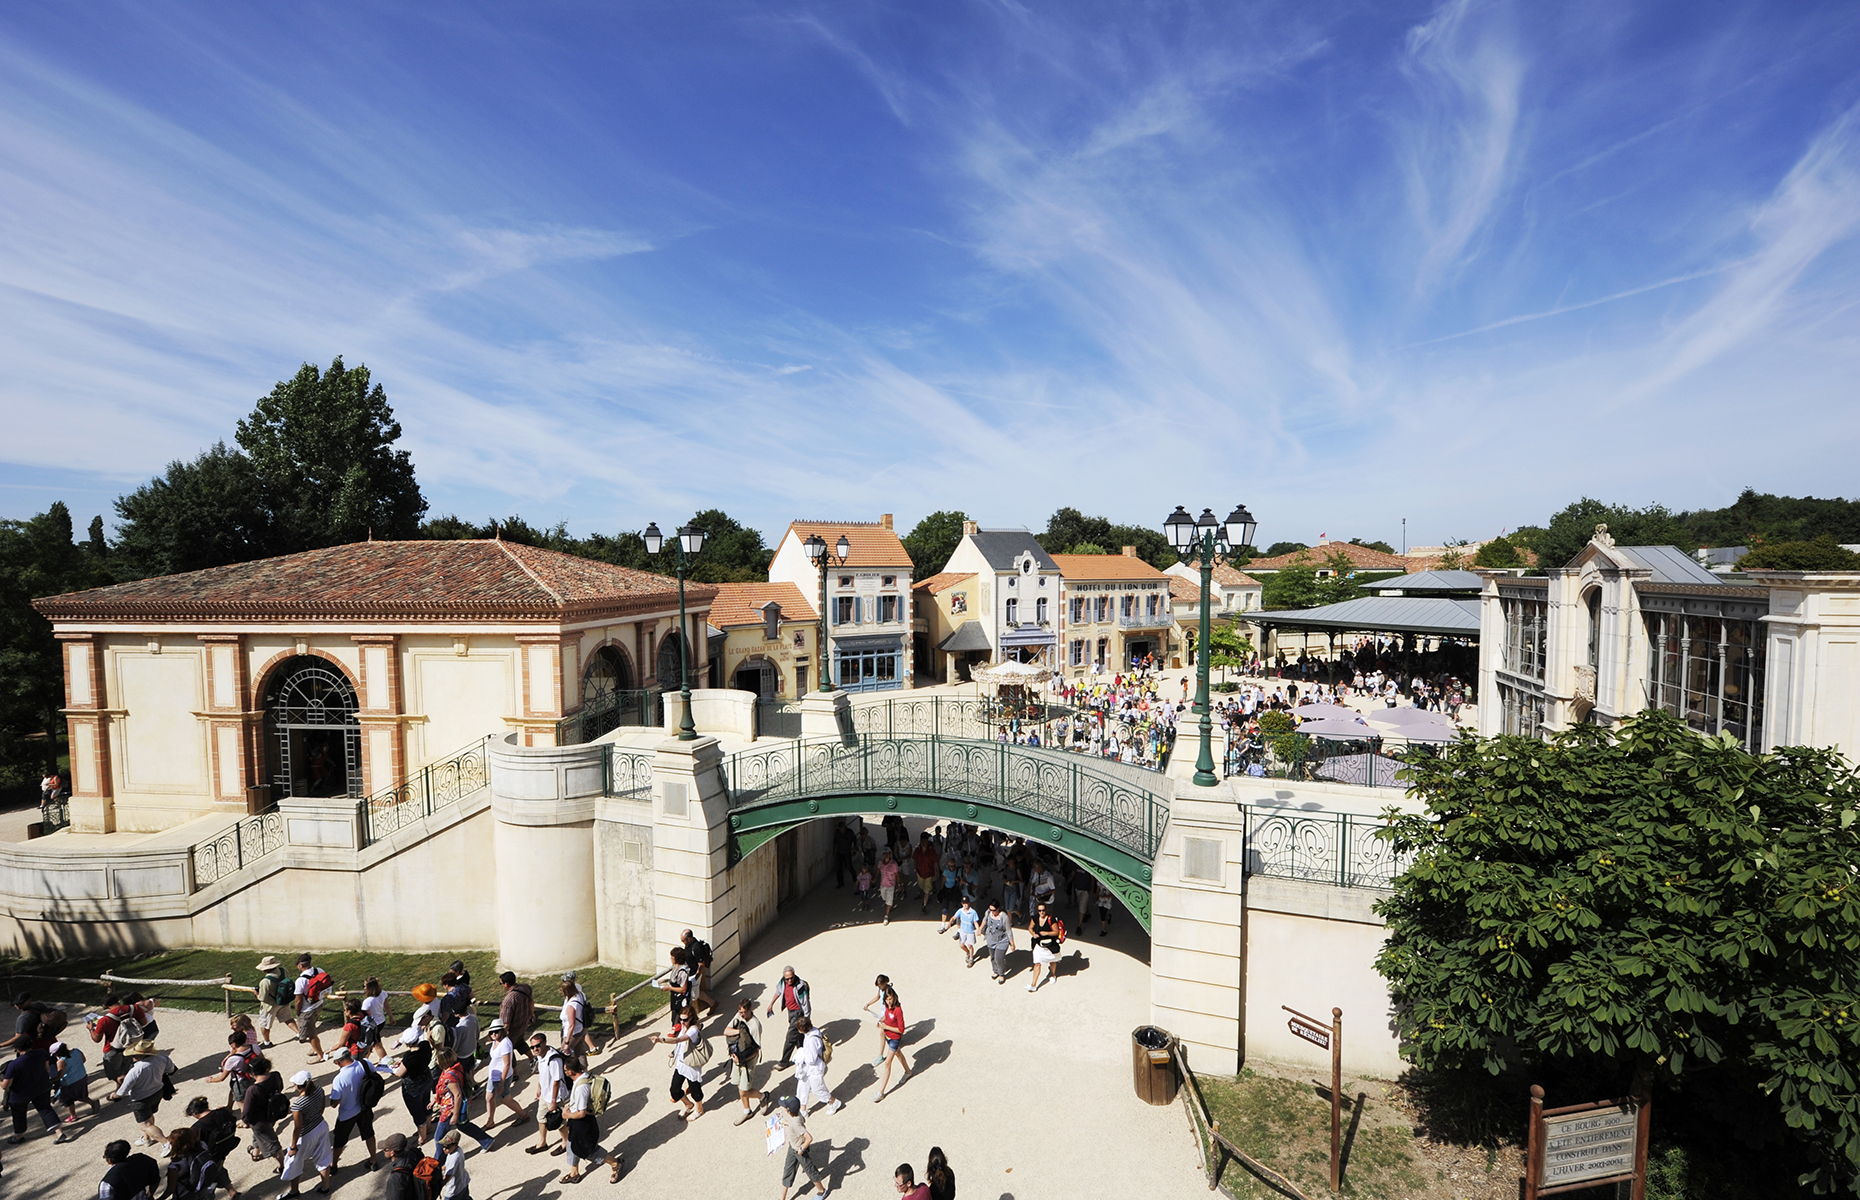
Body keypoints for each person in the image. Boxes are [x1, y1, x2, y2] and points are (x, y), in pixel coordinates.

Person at [559, 1056, 623, 1184]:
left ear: (570, 1072)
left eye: (565, 1070)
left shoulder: (581, 1088)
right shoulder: (584, 1076)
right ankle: (574, 1173)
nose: (565, 1072)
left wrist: (567, 1115)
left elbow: (581, 1113)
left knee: (588, 1150)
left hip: (582, 1123)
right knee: (572, 1144)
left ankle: (615, 1163)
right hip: (577, 1121)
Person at [425, 1046, 493, 1156]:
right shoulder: (453, 1068)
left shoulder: (449, 1077)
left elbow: (457, 1095)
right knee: (464, 1125)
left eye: (438, 1059)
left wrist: (455, 1115)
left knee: (439, 1137)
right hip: (450, 1106)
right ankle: (486, 1141)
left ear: (443, 1061)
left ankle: (438, 1162)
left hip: (450, 1109)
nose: (436, 1060)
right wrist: (435, 1101)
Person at [278, 1070, 332, 1197]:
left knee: (295, 1162)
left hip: (307, 1134)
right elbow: (322, 1108)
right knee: (323, 1157)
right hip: (321, 1125)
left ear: (297, 1086)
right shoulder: (319, 1090)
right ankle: (326, 1187)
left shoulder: (297, 1105)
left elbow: (298, 1127)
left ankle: (294, 1191)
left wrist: (292, 1147)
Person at [326, 1045, 379, 1173]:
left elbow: (334, 1103)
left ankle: (333, 1165)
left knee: (339, 1140)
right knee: (369, 1134)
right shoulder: (365, 1064)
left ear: (338, 1062)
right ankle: (373, 1160)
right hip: (364, 1108)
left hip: (347, 1114)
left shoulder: (339, 1079)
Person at [112, 1039, 173, 1146]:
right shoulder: (163, 1058)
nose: (132, 1057)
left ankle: (166, 1143)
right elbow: (171, 1070)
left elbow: (122, 1092)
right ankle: (146, 1138)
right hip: (158, 1092)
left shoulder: (135, 1070)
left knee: (145, 1125)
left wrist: (113, 1095)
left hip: (141, 1099)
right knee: (149, 1117)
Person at [654, 1003, 706, 1121]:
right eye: (681, 1019)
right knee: (674, 1089)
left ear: (691, 1018)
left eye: (685, 1020)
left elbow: (679, 1039)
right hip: (681, 1063)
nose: (682, 1022)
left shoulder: (693, 1030)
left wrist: (661, 1040)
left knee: (695, 1089)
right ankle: (688, 1104)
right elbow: (681, 1044)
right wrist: (674, 1052)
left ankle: (699, 1109)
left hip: (691, 1064)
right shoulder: (684, 1026)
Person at [774, 1094, 828, 1200]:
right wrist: (788, 1123)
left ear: (788, 1111)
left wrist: (801, 1149)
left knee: (810, 1170)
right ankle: (782, 1198)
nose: (783, 1108)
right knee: (787, 1171)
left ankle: (822, 1191)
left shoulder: (795, 1124)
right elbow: (803, 1120)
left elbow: (809, 1138)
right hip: (792, 1147)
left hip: (799, 1150)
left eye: (784, 1107)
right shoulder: (796, 1115)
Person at [2, 1043, 58, 1142]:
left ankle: (19, 1136)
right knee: (46, 1109)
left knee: (19, 1114)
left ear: (18, 1049)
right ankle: (59, 1132)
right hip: (41, 1088)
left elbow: (5, 1085)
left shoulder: (13, 1065)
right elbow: (47, 1069)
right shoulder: (41, 1053)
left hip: (20, 1094)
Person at [523, 1033, 566, 1155]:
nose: (535, 1049)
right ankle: (542, 1143)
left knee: (558, 1122)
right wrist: (539, 1087)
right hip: (545, 1094)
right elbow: (542, 1074)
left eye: (537, 1046)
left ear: (544, 1043)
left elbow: (556, 1081)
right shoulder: (540, 1056)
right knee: (541, 1118)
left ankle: (565, 1142)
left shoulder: (554, 1059)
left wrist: (553, 1101)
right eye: (532, 1047)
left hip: (555, 1096)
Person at [725, 999, 765, 1125]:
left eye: (744, 1012)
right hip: (736, 1058)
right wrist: (740, 1032)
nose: (741, 1014)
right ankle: (748, 1110)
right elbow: (726, 1031)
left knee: (743, 1091)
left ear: (750, 1010)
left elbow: (756, 1049)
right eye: (740, 1011)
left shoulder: (755, 1025)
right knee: (738, 1085)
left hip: (748, 1062)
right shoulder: (738, 1017)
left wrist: (742, 1059)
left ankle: (762, 1097)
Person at [238, 1055, 284, 1166]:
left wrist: (244, 1121)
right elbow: (281, 1088)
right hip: (273, 1112)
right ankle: (256, 1153)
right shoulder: (275, 1076)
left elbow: (247, 1110)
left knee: (272, 1145)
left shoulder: (253, 1090)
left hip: (259, 1120)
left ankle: (283, 1165)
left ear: (252, 1073)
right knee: (260, 1135)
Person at [483, 1020, 528, 1130]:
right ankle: (490, 1121)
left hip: (502, 1077)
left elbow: (507, 1064)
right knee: (489, 1097)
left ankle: (523, 1115)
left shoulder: (505, 1043)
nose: (494, 1034)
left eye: (496, 1031)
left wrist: (502, 1083)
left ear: (502, 1031)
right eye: (492, 1032)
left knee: (505, 1099)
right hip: (493, 1075)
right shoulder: (496, 1041)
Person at [791, 1016, 841, 1115]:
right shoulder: (813, 1031)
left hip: (815, 1068)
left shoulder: (811, 1040)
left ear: (801, 1029)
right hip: (809, 1068)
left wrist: (801, 1056)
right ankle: (803, 1109)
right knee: (802, 1085)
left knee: (818, 1089)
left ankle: (833, 1102)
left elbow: (812, 1059)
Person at [765, 965, 812, 1069]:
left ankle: (783, 1062)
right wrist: (771, 1004)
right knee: (799, 1035)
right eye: (787, 979)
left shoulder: (800, 986)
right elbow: (778, 991)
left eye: (791, 977)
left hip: (798, 1013)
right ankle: (805, 1054)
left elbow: (805, 1003)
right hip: (790, 1012)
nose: (790, 980)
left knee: (790, 1038)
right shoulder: (783, 982)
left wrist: (807, 1018)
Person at [53, 1038, 99, 1134]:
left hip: (69, 1082)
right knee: (80, 1095)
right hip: (82, 1077)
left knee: (68, 1099)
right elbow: (84, 1060)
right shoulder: (76, 1051)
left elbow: (60, 1074)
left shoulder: (61, 1061)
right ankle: (92, 1103)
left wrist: (52, 1080)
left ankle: (73, 1115)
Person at [98, 1138, 163, 1200]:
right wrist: (149, 1196)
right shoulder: (141, 1159)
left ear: (109, 1160)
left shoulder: (107, 1183)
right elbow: (156, 1179)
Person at [874, 987, 910, 1101]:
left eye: (891, 999)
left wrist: (886, 1027)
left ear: (894, 997)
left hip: (894, 1039)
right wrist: (882, 1020)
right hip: (888, 1036)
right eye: (887, 999)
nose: (889, 1001)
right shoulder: (887, 1007)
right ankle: (908, 1072)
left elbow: (901, 1029)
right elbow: (887, 1015)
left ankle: (881, 1092)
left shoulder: (898, 1010)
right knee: (898, 1054)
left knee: (887, 1064)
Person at [291, 955, 329, 1063]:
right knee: (312, 1026)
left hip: (307, 1010)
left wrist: (298, 1011)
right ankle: (315, 1048)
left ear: (300, 965)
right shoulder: (319, 970)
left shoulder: (300, 981)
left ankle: (321, 1055)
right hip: (319, 1004)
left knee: (311, 1034)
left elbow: (298, 1000)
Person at [253, 957, 294, 1049]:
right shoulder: (283, 971)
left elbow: (262, 998)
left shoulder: (265, 982)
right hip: (283, 1000)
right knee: (288, 1018)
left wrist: (256, 993)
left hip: (270, 1005)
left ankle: (267, 1042)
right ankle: (300, 1034)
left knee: (265, 1024)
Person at [185, 1094, 240, 1162]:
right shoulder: (224, 1112)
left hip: (212, 1157)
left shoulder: (197, 1128)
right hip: (226, 1146)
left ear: (195, 1113)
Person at [1028, 902, 1065, 993]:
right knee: (1037, 964)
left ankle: (1052, 974)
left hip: (1050, 945)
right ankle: (1033, 984)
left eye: (1043, 910)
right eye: (1040, 910)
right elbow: (1030, 928)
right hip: (1039, 945)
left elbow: (1056, 932)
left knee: (1052, 960)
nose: (1041, 912)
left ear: (1046, 910)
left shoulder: (1051, 919)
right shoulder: (1035, 918)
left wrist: (1047, 933)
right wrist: (1033, 934)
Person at [682, 929, 717, 1015]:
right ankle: (712, 1003)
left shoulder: (696, 948)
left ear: (689, 939)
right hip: (689, 974)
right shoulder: (688, 945)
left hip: (694, 975)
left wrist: (696, 977)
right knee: (694, 994)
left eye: (683, 940)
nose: (682, 942)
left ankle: (691, 1016)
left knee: (693, 996)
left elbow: (701, 965)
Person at [860, 975, 892, 1066]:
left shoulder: (889, 992)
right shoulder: (881, 990)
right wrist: (868, 1004)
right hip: (883, 1015)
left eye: (880, 985)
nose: (879, 987)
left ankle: (880, 1056)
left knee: (882, 1034)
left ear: (885, 983)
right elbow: (877, 997)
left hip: (886, 1016)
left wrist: (885, 1017)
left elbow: (891, 1007)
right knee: (884, 1033)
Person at [497, 973, 534, 1053]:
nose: (502, 985)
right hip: (523, 1024)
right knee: (520, 1042)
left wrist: (500, 1037)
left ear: (506, 984)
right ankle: (532, 1059)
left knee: (507, 1049)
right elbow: (531, 1002)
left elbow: (506, 1023)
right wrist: (532, 1015)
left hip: (513, 1030)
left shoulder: (508, 1001)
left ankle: (512, 1065)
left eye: (501, 983)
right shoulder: (526, 987)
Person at [381, 1134, 422, 1200]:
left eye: (385, 1150)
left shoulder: (396, 1178)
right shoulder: (414, 1153)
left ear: (392, 1153)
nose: (383, 1151)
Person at [358, 978, 389, 1062]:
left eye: (364, 986)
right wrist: (391, 1017)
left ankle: (385, 1061)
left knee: (377, 1044)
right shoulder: (383, 993)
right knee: (370, 1042)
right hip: (381, 1021)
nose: (363, 987)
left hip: (373, 1025)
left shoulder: (367, 1001)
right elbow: (387, 1006)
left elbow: (364, 1015)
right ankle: (364, 1059)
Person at [982, 900, 1013, 984]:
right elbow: (984, 920)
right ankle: (995, 970)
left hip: (1002, 940)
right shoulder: (988, 913)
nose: (992, 912)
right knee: (992, 957)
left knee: (999, 958)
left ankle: (1001, 973)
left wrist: (1012, 943)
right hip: (991, 939)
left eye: (994, 910)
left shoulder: (1004, 917)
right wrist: (980, 929)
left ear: (998, 908)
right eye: (991, 909)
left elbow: (1008, 930)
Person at [438, 1128, 470, 1200]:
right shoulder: (457, 1150)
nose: (444, 1149)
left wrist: (440, 1185)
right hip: (463, 1181)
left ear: (455, 1145)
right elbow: (446, 1166)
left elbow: (448, 1177)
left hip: (454, 1189)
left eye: (447, 1147)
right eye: (443, 1146)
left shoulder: (454, 1158)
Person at [950, 895, 981, 967]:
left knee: (970, 945)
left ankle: (971, 958)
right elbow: (954, 917)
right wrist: (949, 923)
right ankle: (967, 952)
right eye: (963, 903)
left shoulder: (973, 912)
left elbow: (975, 922)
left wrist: (978, 930)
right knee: (961, 945)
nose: (965, 904)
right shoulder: (960, 911)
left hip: (970, 932)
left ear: (969, 903)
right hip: (963, 931)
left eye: (966, 903)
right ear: (961, 903)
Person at [912, 834, 938, 913]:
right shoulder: (917, 850)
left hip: (929, 874)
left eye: (924, 841)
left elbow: (936, 862)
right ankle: (924, 896)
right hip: (920, 873)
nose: (923, 843)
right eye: (922, 841)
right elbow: (915, 860)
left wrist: (937, 872)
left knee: (927, 890)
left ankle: (924, 905)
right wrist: (916, 868)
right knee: (922, 886)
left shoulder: (931, 851)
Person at [876, 851, 900, 925]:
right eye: (884, 853)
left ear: (890, 854)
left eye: (888, 853)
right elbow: (878, 870)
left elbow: (897, 875)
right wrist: (875, 878)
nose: (886, 855)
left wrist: (899, 884)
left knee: (889, 901)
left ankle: (886, 916)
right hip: (883, 884)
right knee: (884, 897)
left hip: (891, 885)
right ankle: (891, 903)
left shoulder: (894, 864)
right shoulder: (880, 863)